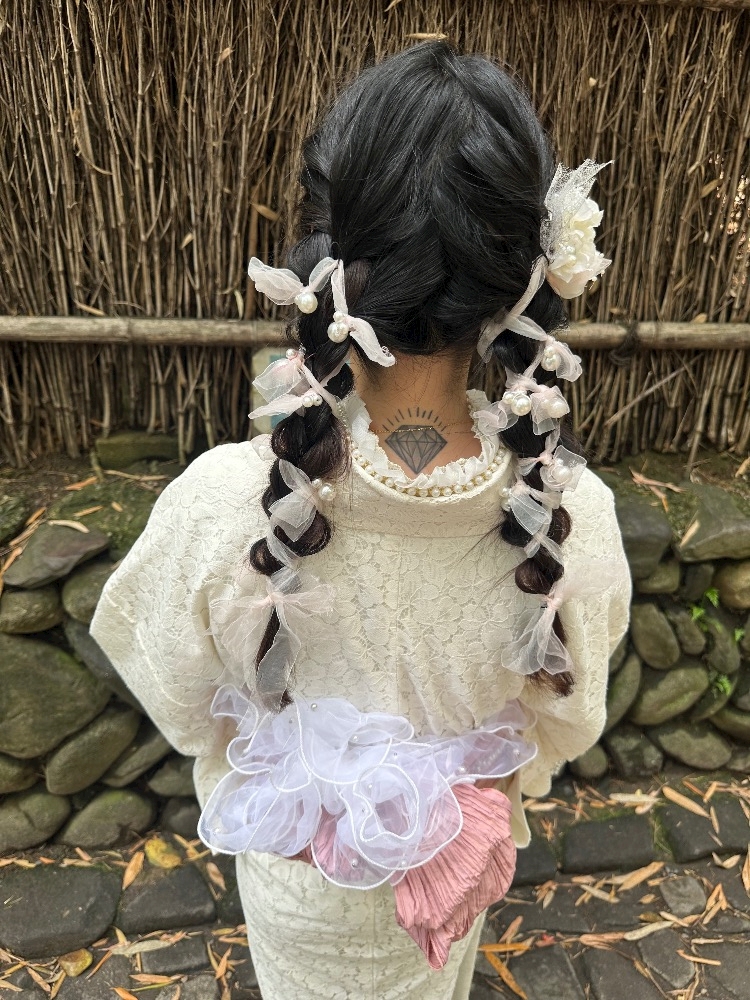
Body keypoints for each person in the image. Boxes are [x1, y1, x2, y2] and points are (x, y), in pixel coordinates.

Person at [90, 42, 631, 1000]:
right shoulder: (570, 515)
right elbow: (570, 719)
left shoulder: (225, 501)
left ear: (328, 256)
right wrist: (477, 791)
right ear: (528, 275)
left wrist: (271, 769)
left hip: (299, 877)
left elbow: (169, 682)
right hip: (462, 866)